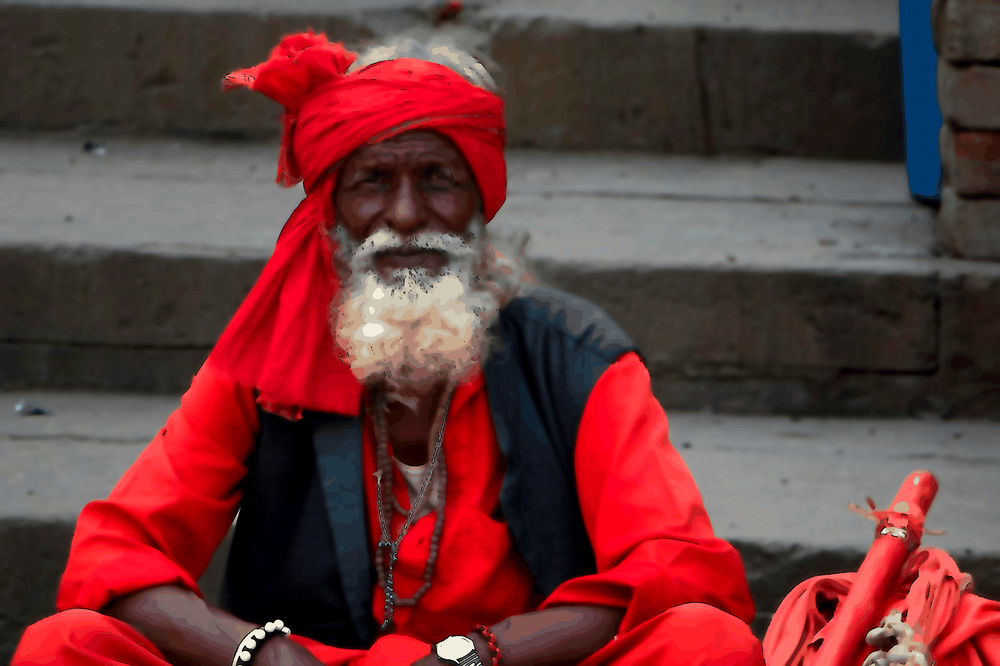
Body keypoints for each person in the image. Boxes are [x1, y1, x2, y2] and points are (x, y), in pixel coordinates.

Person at [13, 32, 765, 666]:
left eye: (437, 178)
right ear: (332, 206)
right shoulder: (267, 352)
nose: (405, 217)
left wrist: (478, 654)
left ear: (480, 198)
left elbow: (678, 566)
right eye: (373, 180)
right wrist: (265, 655)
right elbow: (118, 553)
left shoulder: (576, 354)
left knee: (708, 643)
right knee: (66, 644)